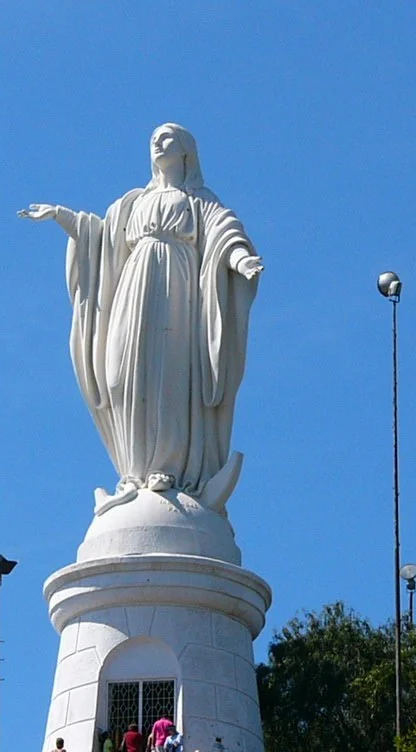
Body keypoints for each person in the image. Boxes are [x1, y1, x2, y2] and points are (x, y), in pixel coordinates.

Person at [20, 124, 263, 516]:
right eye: (154, 138)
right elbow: (100, 238)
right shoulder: (133, 202)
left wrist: (241, 260)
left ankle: (166, 468)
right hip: (135, 287)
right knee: (121, 374)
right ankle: (133, 471)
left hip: (180, 289)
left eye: (168, 137)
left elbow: (225, 234)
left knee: (168, 375)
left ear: (186, 150)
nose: (158, 142)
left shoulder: (199, 200)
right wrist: (63, 217)